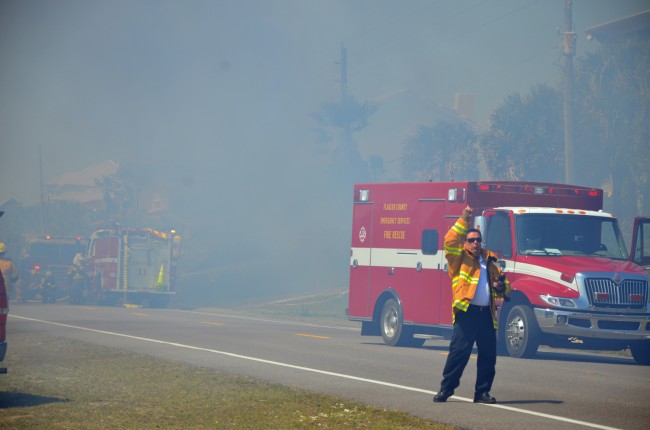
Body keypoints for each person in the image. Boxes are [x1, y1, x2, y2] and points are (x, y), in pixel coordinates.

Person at [433, 206, 510, 404]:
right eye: (471, 240)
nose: (475, 243)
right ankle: (446, 389)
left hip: (487, 315)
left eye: (478, 240)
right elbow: (449, 240)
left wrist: (501, 286)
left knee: (488, 357)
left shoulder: (490, 259)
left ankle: (482, 393)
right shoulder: (458, 258)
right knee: (459, 354)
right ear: (465, 243)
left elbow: (504, 287)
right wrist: (465, 218)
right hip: (466, 313)